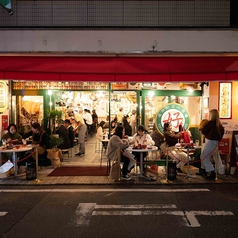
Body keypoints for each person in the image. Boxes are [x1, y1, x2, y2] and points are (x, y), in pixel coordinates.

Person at [197, 109, 224, 180]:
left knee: (204, 157)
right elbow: (221, 135)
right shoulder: (219, 125)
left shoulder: (210, 123)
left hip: (209, 141)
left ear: (212, 115)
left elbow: (203, 131)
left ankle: (211, 171)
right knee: (207, 156)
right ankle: (206, 170)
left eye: (210, 114)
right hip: (215, 143)